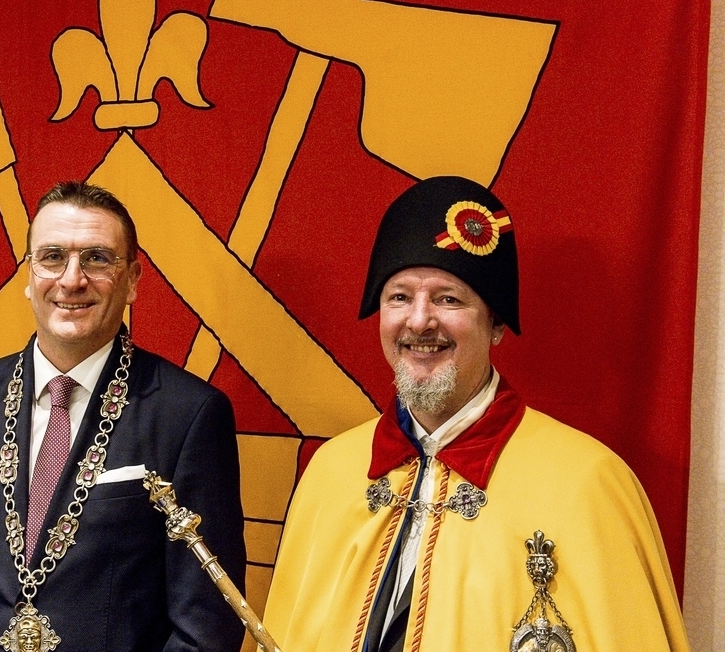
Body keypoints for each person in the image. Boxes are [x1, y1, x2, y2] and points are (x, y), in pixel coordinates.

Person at [262, 176, 690, 652]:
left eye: (449, 299)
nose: (419, 320)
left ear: (498, 324)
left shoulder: (589, 484)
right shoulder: (330, 474)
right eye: (399, 296)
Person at [0, 181, 246, 652]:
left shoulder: (189, 415)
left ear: (132, 281)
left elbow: (207, 621)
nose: (71, 280)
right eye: (51, 257)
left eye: (97, 259)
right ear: (28, 277)